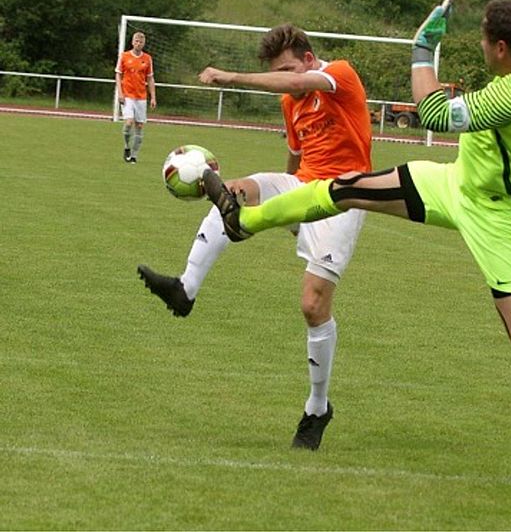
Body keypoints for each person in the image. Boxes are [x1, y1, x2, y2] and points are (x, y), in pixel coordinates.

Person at [200, 0, 511, 504]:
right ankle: (243, 222)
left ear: (502, 49)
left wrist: (423, 47)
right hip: (455, 183)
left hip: (501, 218)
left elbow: (434, 111)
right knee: (345, 187)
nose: (481, 44)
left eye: (484, 39)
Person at [137, 24, 373, 450]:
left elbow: (299, 83)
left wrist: (230, 77)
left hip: (342, 195)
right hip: (302, 187)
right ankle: (185, 289)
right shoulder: (291, 101)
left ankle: (318, 408)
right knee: (235, 193)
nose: (287, 79)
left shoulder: (339, 74)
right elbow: (296, 156)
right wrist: (284, 208)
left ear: (306, 58)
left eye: (286, 68)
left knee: (312, 304)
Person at [115, 31, 157, 164]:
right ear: (132, 42)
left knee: (139, 126)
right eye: (136, 41)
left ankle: (134, 155)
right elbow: (118, 74)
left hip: (141, 97)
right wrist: (120, 93)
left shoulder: (147, 59)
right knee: (128, 123)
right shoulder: (124, 56)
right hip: (127, 95)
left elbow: (150, 79)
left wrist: (153, 97)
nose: (138, 44)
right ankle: (127, 146)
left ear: (144, 44)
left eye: (141, 42)